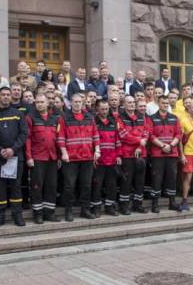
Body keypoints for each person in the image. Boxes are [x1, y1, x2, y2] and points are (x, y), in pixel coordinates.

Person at [0, 86, 28, 228]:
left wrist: (13, 149)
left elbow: (23, 134)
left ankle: (17, 215)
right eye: (3, 95)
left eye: (8, 95)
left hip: (15, 156)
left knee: (16, 186)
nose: (5, 97)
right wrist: (0, 150)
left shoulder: (18, 114)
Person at [57, 93, 100, 221]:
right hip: (71, 158)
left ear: (83, 102)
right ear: (70, 103)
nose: (77, 104)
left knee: (86, 185)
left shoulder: (89, 117)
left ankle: (84, 209)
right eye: (75, 101)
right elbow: (60, 137)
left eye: (79, 102)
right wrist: (64, 153)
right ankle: (68, 210)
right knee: (69, 185)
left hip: (87, 157)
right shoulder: (64, 118)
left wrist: (97, 150)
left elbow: (95, 135)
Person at [26, 93, 61, 224]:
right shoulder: (31, 118)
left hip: (52, 157)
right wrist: (29, 156)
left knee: (51, 186)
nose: (39, 104)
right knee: (37, 186)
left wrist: (58, 156)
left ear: (47, 103)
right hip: (37, 157)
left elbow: (57, 139)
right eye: (37, 102)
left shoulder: (54, 119)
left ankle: (49, 213)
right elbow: (28, 139)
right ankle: (38, 213)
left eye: (42, 102)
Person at [148, 95, 183, 213]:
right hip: (157, 153)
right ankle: (155, 203)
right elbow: (150, 135)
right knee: (157, 178)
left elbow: (178, 134)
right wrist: (162, 145)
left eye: (167, 103)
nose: (165, 105)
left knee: (172, 178)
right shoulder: (152, 118)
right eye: (163, 103)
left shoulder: (174, 118)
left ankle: (172, 202)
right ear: (158, 103)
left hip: (172, 153)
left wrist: (171, 145)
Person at [117, 95, 150, 215]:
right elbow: (123, 135)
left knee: (140, 181)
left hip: (141, 153)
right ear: (124, 104)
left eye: (133, 102)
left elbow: (146, 132)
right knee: (127, 181)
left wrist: (141, 146)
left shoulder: (141, 117)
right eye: (129, 102)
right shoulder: (120, 118)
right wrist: (139, 141)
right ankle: (124, 206)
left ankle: (138, 204)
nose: (131, 104)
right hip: (127, 155)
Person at [90, 99, 121, 217]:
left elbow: (117, 140)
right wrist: (93, 156)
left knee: (111, 185)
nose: (104, 111)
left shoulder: (113, 121)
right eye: (102, 109)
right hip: (98, 160)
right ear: (97, 109)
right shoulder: (93, 122)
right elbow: (91, 141)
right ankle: (96, 207)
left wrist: (118, 155)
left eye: (106, 109)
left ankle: (110, 207)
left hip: (111, 160)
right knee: (97, 184)